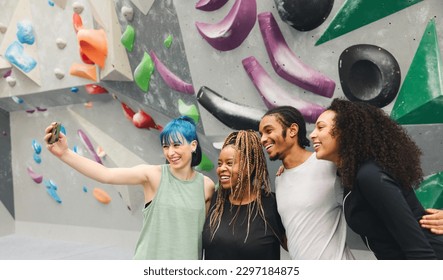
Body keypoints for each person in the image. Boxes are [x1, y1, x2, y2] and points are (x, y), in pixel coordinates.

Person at [44, 116, 215, 260]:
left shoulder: (206, 186)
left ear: (193, 145)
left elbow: (204, 233)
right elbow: (106, 174)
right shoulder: (153, 176)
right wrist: (65, 153)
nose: (170, 152)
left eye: (176, 145)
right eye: (165, 146)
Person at [309, 98, 443, 259]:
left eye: (320, 127)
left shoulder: (369, 176)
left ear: (347, 131)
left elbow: (420, 251)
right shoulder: (352, 174)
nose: (312, 135)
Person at [259, 106, 354, 260]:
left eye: (269, 131)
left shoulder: (327, 165)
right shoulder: (280, 179)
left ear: (292, 130)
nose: (263, 139)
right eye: (261, 134)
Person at [202, 130, 286, 259]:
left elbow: (299, 248)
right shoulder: (215, 201)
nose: (221, 169)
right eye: (220, 164)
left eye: (229, 163)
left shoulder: (272, 205)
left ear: (250, 167)